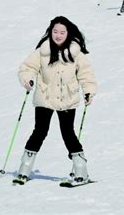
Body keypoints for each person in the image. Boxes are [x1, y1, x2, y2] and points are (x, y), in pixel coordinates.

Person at [14, 16, 97, 185]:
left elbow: (86, 74)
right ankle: (24, 169)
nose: (58, 35)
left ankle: (81, 172)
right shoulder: (42, 51)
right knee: (39, 132)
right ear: (50, 32)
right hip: (44, 98)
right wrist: (28, 79)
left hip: (67, 99)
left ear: (68, 33)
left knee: (68, 134)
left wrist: (88, 91)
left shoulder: (76, 54)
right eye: (55, 32)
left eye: (62, 32)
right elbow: (27, 68)